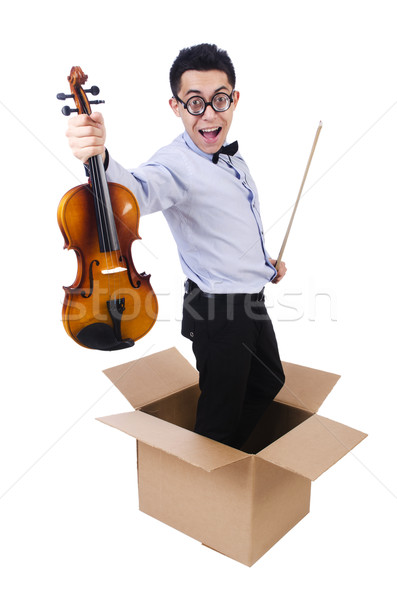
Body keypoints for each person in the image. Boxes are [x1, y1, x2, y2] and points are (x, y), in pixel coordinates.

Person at [66, 43, 287, 449]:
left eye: (219, 100)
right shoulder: (175, 164)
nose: (209, 114)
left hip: (249, 299)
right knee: (219, 416)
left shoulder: (234, 161)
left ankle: (232, 458)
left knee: (270, 380)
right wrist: (98, 153)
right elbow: (135, 189)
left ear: (234, 100)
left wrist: (265, 263)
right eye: (195, 103)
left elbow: (233, 231)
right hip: (220, 311)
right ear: (176, 106)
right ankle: (209, 482)